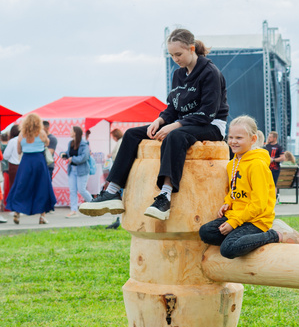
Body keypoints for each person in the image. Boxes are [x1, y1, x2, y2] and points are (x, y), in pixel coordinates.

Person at [80, 28, 228, 220]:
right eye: (171, 55)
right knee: (132, 134)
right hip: (184, 123)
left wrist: (175, 125)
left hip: (211, 125)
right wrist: (160, 120)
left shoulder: (210, 73)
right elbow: (173, 107)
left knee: (174, 136)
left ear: (192, 49)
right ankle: (113, 191)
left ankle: (165, 196)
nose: (175, 59)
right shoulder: (178, 75)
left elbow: (207, 113)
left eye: (179, 54)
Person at [198, 115, 281, 259]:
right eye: (230, 137)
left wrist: (233, 223)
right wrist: (228, 203)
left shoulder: (257, 165)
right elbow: (233, 190)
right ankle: (239, 238)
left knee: (228, 249)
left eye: (239, 138)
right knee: (205, 232)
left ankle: (274, 235)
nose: (233, 142)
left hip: (256, 220)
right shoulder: (232, 164)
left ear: (253, 139)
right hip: (236, 216)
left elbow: (259, 204)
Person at [5, 114, 56, 225]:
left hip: (26, 161)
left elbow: (19, 151)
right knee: (41, 187)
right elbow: (47, 143)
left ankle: (17, 212)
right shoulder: (41, 133)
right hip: (39, 161)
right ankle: (42, 216)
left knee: (21, 187)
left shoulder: (21, 135)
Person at [63, 126, 93, 218]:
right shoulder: (70, 143)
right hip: (72, 170)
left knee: (82, 190)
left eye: (71, 131)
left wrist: (73, 159)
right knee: (72, 190)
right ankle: (74, 211)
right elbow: (68, 153)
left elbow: (84, 157)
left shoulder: (84, 144)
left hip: (82, 170)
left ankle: (95, 205)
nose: (70, 132)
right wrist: (63, 154)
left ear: (75, 132)